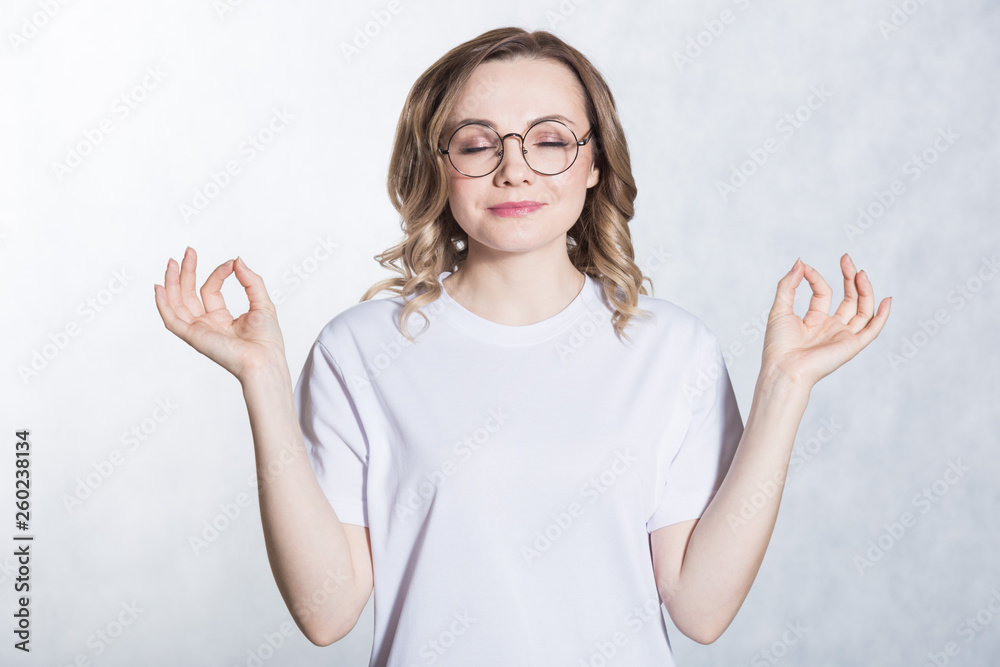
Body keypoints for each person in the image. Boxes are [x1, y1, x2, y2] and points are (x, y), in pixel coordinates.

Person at [153, 26, 891, 667]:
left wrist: (785, 386)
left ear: (595, 162)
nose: (514, 168)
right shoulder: (360, 349)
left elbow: (700, 608)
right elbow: (326, 610)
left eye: (549, 140)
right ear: (437, 166)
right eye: (477, 143)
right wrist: (262, 377)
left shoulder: (674, 350)